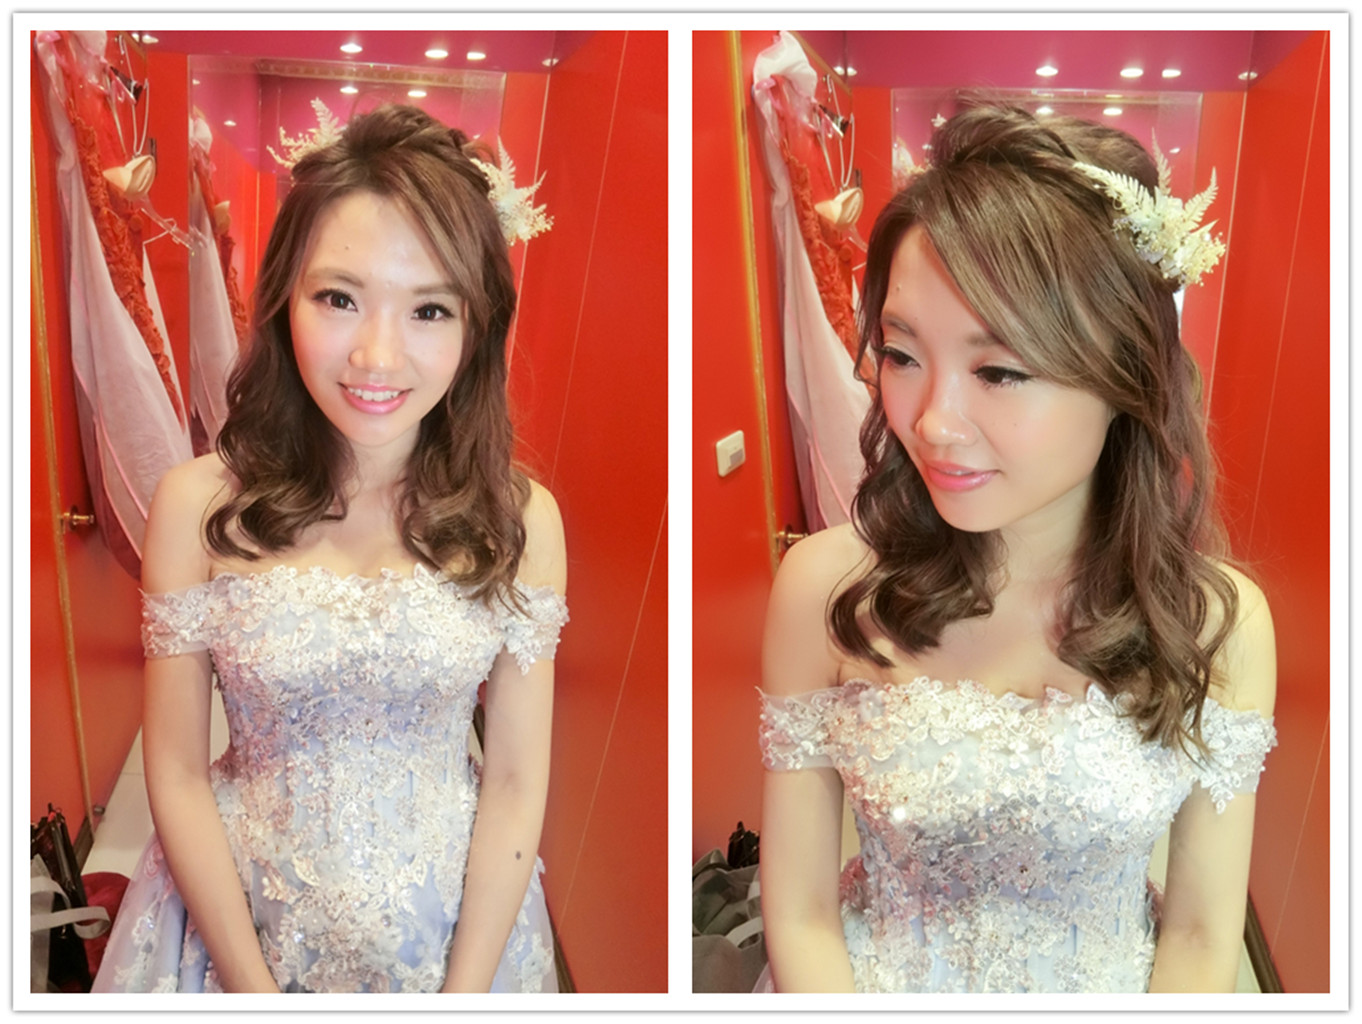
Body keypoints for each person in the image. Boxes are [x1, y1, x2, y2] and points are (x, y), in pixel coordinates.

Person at [757, 104, 1276, 993]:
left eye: (998, 370)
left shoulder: (1216, 623)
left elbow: (1199, 935)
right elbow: (800, 913)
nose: (932, 422)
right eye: (902, 354)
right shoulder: (827, 589)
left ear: (1126, 377)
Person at [93, 105, 567, 993]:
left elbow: (512, 781)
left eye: (429, 309)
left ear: (476, 328)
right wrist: (254, 995)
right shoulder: (197, 507)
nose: (377, 357)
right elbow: (178, 771)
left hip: (455, 934)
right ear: (284, 296)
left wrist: (464, 1000)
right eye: (339, 298)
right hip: (232, 926)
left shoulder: (520, 521)